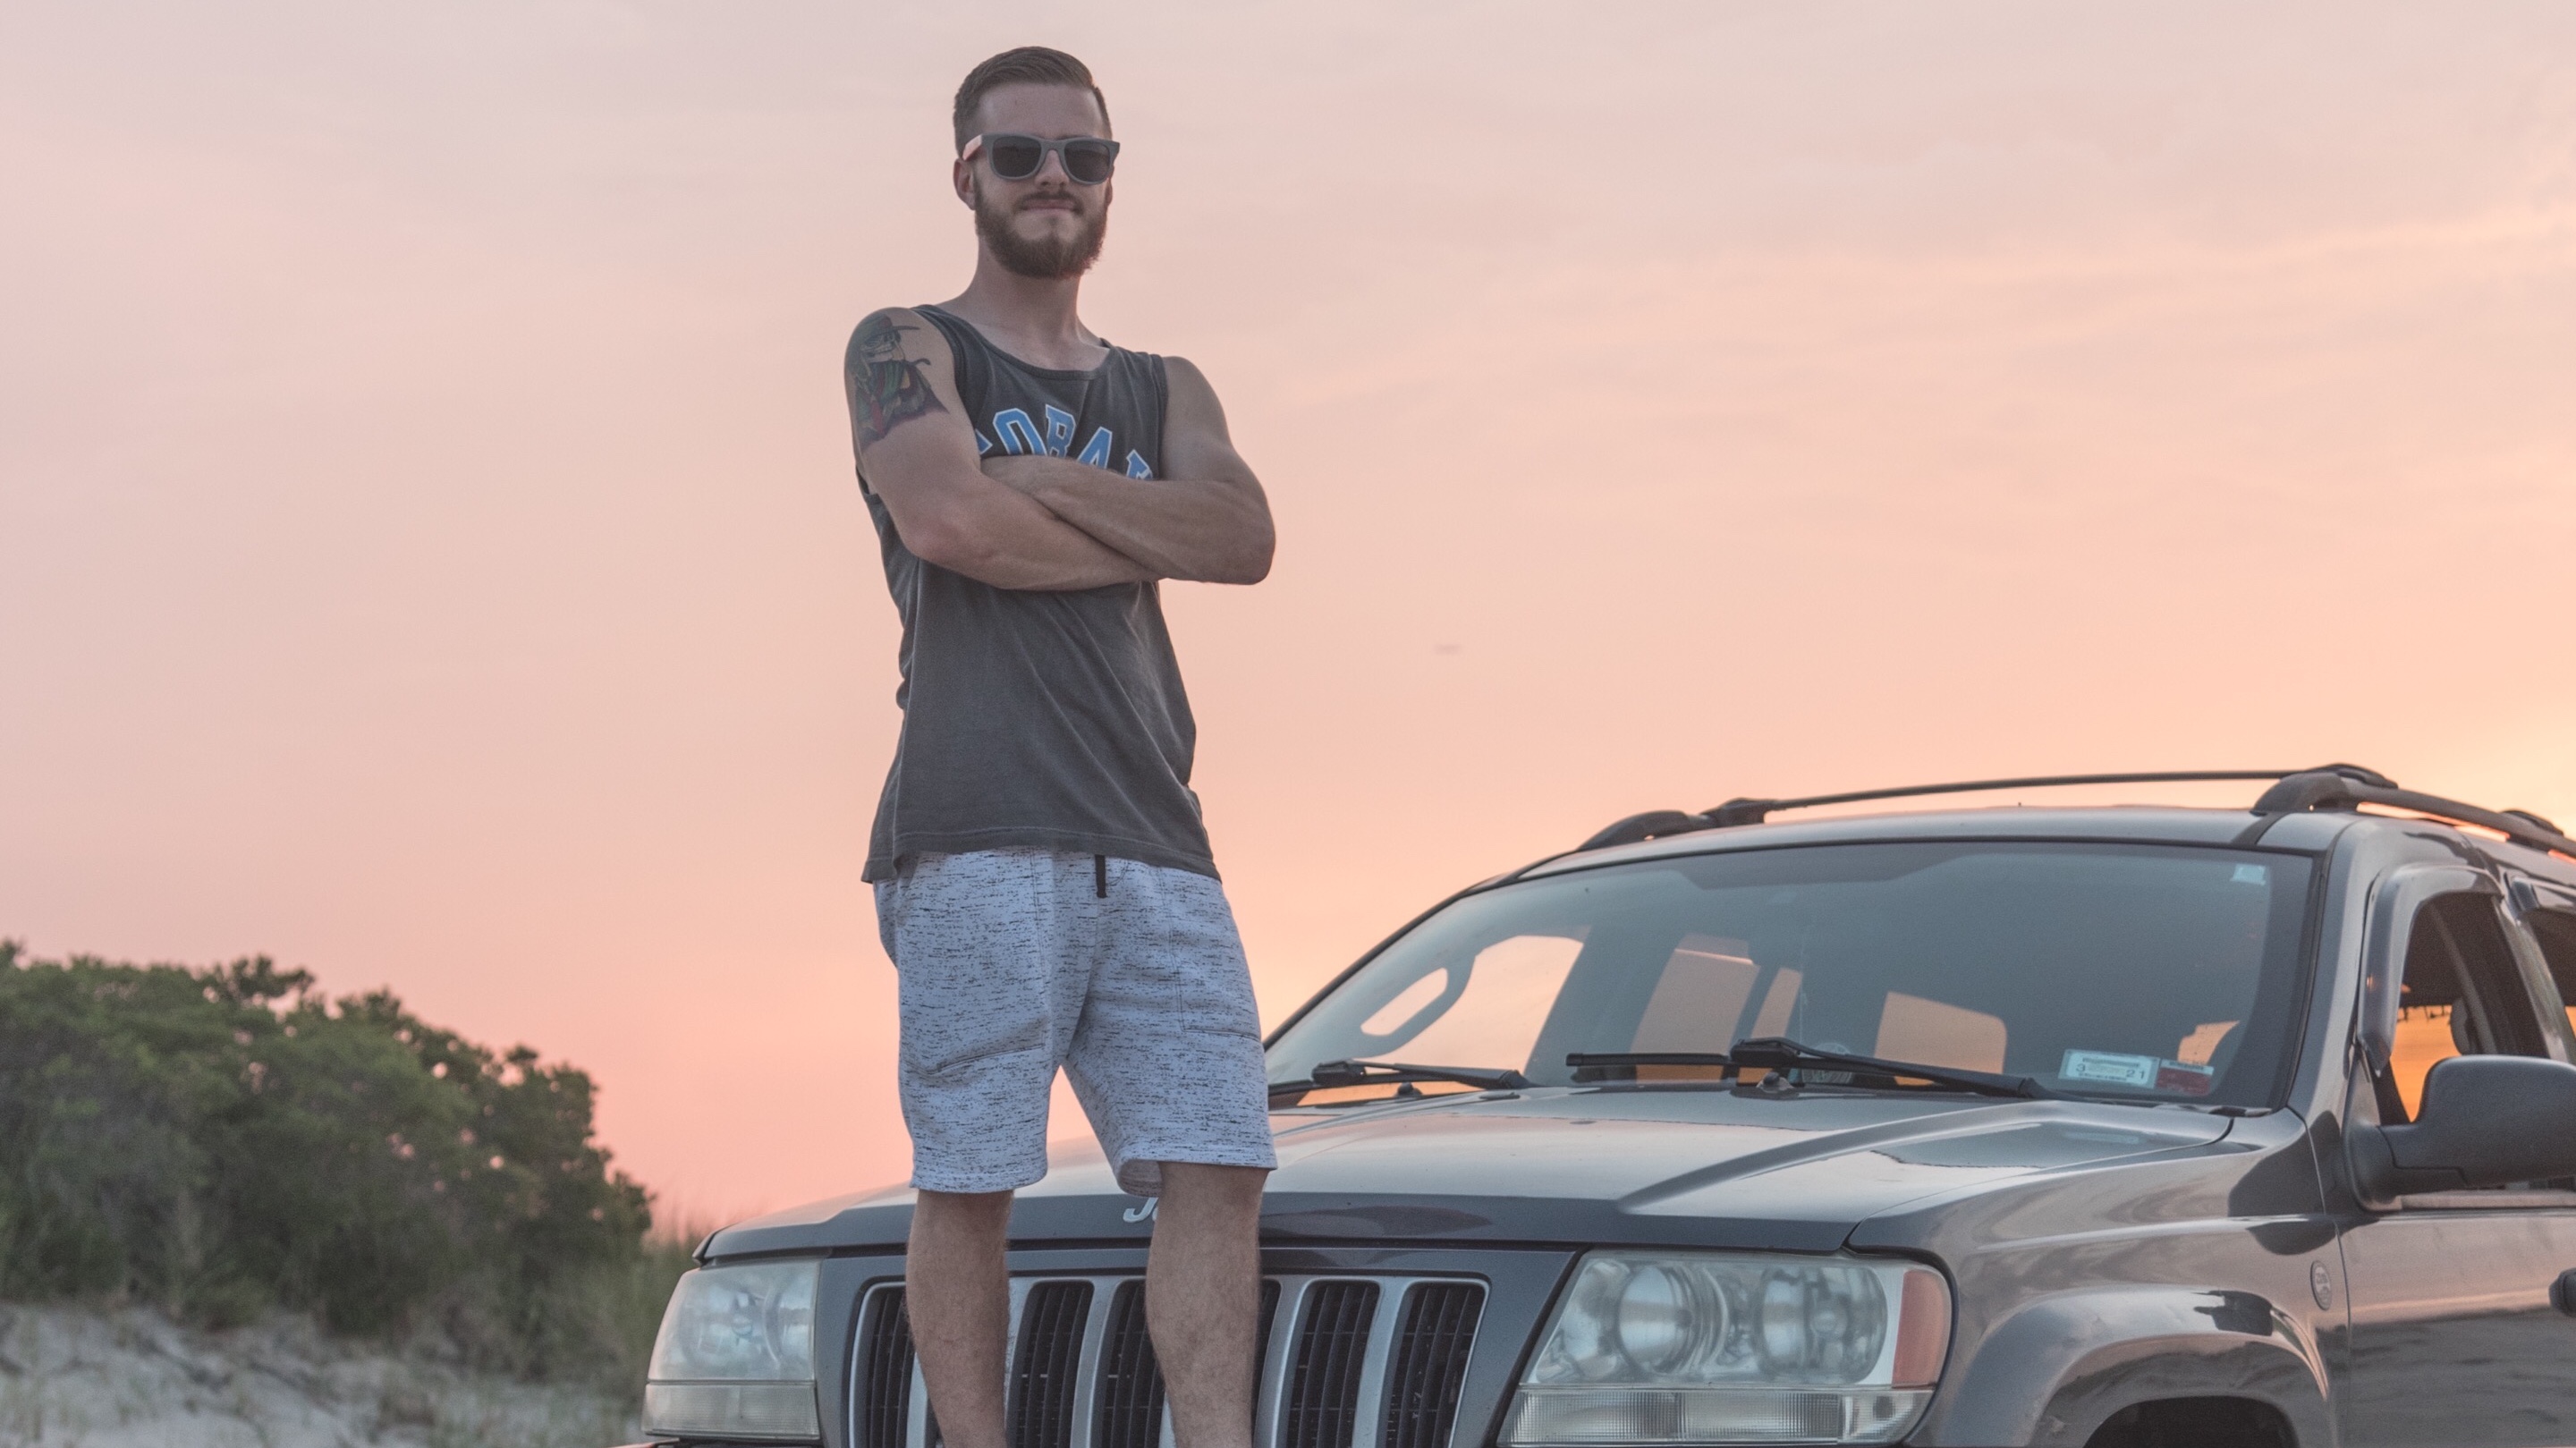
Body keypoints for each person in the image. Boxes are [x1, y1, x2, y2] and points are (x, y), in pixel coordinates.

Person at [843, 45, 1278, 1448]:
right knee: (972, 1177)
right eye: (1020, 154)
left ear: (1109, 181)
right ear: (965, 174)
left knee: (1220, 1163)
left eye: (1082, 157)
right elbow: (947, 522)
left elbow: (1243, 538)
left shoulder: (1167, 383)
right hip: (973, 826)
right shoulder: (904, 346)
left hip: (1157, 837)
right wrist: (1135, 523)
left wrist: (1035, 478)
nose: (1053, 178)